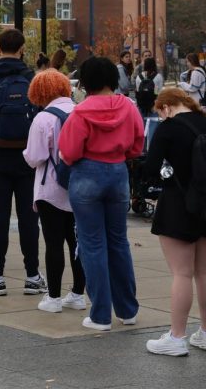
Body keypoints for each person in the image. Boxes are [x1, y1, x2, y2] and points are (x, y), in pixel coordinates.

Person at [141, 86, 206, 356]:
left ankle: (177, 336)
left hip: (177, 204)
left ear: (166, 107)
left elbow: (150, 169)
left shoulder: (168, 129)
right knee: (205, 271)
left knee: (181, 273)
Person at [58, 56, 145, 331]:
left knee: (92, 244)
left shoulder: (80, 112)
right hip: (118, 172)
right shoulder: (128, 107)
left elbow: (68, 153)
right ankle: (128, 310)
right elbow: (137, 145)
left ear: (85, 81)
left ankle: (100, 314)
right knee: (119, 241)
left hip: (86, 174)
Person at [0, 29, 45, 297]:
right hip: (27, 160)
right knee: (29, 218)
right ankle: (33, 276)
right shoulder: (31, 79)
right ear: (22, 48)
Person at [22, 69, 88, 313]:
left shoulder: (43, 118)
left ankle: (53, 297)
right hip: (81, 186)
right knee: (77, 242)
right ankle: (78, 294)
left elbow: (34, 157)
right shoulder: (81, 111)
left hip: (51, 188)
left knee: (53, 243)